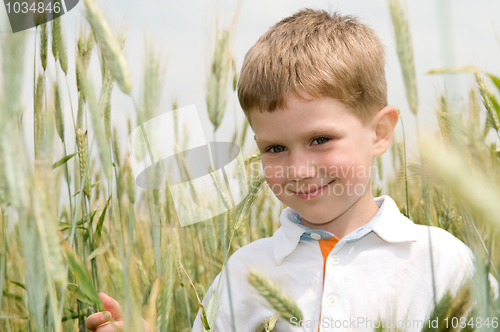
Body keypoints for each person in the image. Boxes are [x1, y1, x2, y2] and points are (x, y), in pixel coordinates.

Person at [86, 8, 498, 332]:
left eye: (320, 140)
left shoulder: (442, 262)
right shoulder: (244, 273)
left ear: (379, 132)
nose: (298, 169)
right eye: (276, 148)